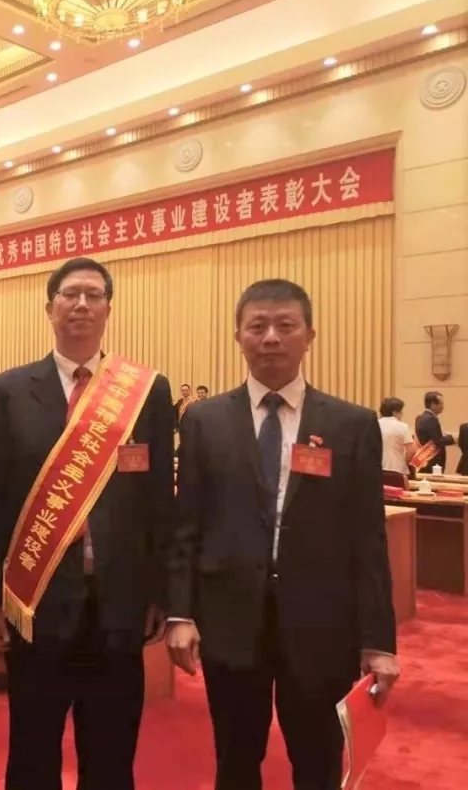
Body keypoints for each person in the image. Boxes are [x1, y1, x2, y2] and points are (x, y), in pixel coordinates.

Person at [166, 279, 399, 790]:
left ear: (309, 336)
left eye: (285, 325)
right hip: (229, 621)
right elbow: (187, 525)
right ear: (238, 337)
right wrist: (180, 613)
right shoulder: (204, 421)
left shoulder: (352, 424)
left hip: (322, 628)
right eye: (258, 326)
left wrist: (379, 641)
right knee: (235, 760)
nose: (270, 337)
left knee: (317, 763)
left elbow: (368, 540)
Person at [0, 257, 175, 790]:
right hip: (36, 600)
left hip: (118, 604)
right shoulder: (8, 391)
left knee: (111, 754)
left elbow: (159, 500)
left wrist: (160, 593)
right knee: (32, 751)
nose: (81, 304)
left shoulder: (146, 392)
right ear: (50, 308)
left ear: (109, 309)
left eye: (93, 295)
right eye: (70, 294)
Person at [414, 391, 455, 473]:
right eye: (441, 403)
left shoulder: (420, 417)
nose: (442, 406)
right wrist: (453, 438)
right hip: (433, 460)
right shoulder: (431, 419)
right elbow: (437, 441)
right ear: (433, 404)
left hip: (424, 459)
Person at [377, 397, 416, 476]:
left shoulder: (374, 424)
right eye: (401, 411)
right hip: (397, 468)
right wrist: (405, 462)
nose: (402, 414)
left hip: (377, 468)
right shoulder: (402, 426)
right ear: (394, 412)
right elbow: (411, 451)